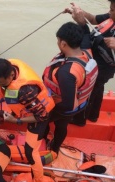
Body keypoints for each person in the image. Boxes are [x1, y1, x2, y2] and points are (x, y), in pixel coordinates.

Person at [0, 58, 55, 182]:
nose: (1, 87)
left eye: (2, 84)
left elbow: (42, 116)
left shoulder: (25, 91)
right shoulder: (7, 67)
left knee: (30, 152)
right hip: (26, 108)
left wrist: (16, 120)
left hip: (39, 116)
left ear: (11, 75)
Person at [42, 21, 98, 156]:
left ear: (63, 44)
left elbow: (67, 105)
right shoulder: (86, 51)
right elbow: (85, 34)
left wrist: (47, 111)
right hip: (81, 102)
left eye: (58, 41)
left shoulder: (66, 72)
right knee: (62, 126)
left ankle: (48, 146)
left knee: (43, 121)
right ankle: (55, 148)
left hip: (65, 106)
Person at [65, 1, 115, 126]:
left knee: (88, 90)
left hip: (105, 68)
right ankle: (93, 115)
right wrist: (80, 13)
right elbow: (92, 19)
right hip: (96, 63)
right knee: (97, 87)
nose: (109, 12)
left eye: (113, 10)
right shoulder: (110, 16)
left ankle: (79, 120)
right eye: (110, 8)